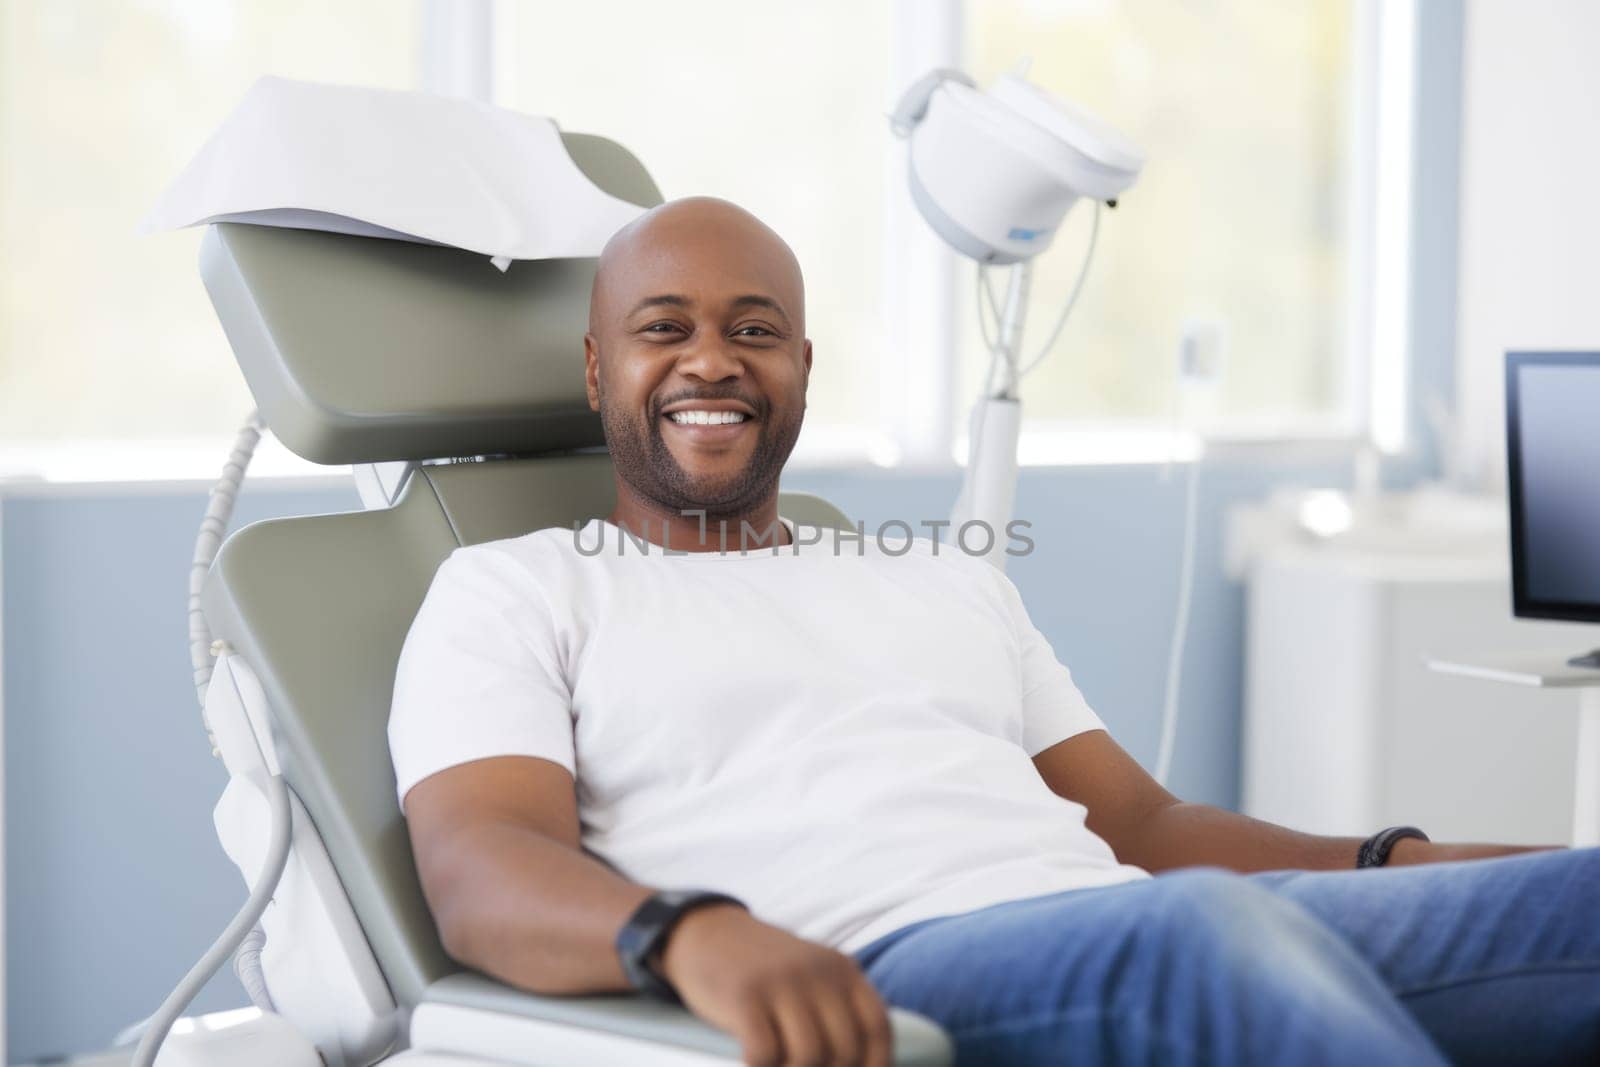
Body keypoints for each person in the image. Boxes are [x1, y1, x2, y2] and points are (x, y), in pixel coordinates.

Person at [388, 196, 1600, 1067]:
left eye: (753, 329)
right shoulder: (515, 592)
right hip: (891, 963)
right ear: (598, 365)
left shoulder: (944, 580)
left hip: (1130, 916)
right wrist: (688, 933)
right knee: (1190, 936)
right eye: (664, 327)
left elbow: (1146, 828)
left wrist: (1406, 863)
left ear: (802, 366)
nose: (713, 357)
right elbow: (481, 867)